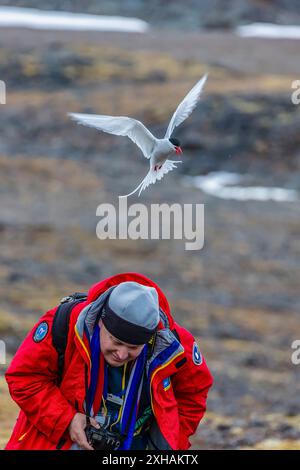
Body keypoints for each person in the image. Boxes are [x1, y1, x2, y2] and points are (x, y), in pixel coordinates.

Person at [5, 272, 213, 450]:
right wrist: (66, 419)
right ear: (101, 322)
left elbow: (194, 395)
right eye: (116, 341)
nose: (121, 354)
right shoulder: (64, 324)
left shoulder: (173, 345)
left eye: (133, 348)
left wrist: (168, 442)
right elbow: (24, 377)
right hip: (59, 441)